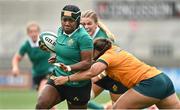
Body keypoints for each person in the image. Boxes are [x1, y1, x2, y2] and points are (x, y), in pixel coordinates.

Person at [53, 38, 180, 109]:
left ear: (97, 51)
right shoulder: (114, 50)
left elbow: (92, 72)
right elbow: (94, 72)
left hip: (149, 83)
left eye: (92, 53)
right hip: (163, 79)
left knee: (117, 108)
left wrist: (67, 79)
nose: (90, 56)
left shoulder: (108, 57)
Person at [36, 5, 93, 109]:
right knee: (41, 104)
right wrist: (58, 58)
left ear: (77, 20)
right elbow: (66, 50)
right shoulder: (59, 31)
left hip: (77, 85)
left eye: (70, 20)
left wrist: (69, 67)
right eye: (64, 20)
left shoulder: (84, 38)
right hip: (58, 78)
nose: (66, 23)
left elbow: (87, 62)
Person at [81, 10, 128, 109]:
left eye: (89, 23)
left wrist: (93, 76)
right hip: (102, 74)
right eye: (83, 24)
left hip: (116, 75)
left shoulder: (103, 39)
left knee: (118, 107)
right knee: (81, 99)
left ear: (96, 24)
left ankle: (150, 107)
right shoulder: (84, 36)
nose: (85, 27)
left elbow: (108, 64)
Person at [12, 22, 53, 93]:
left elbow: (58, 50)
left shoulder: (45, 41)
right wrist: (15, 67)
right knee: (45, 100)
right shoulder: (26, 45)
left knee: (44, 92)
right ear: (28, 33)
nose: (33, 34)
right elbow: (16, 58)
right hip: (36, 74)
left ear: (39, 32)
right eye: (31, 32)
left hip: (49, 71)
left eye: (35, 31)